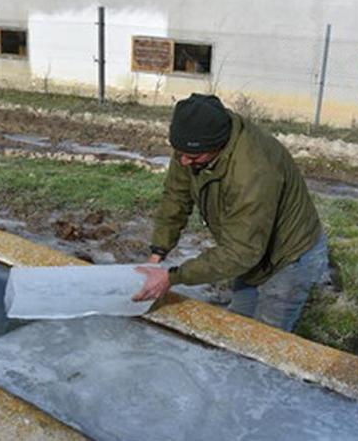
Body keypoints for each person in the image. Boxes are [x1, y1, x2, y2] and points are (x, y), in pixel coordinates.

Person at [133, 94, 329, 332]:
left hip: (289, 257)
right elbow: (176, 196)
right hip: (250, 248)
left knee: (266, 340)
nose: (183, 161)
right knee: (238, 325)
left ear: (217, 146)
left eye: (191, 157)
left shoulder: (253, 170)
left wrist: (173, 277)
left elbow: (241, 252)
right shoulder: (192, 146)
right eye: (179, 153)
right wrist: (158, 253)